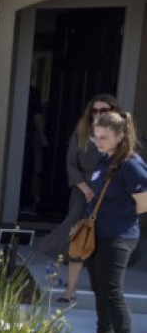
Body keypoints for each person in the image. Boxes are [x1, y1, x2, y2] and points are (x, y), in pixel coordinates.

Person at [74, 111, 145, 333]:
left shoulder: (131, 164)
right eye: (96, 136)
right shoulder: (106, 161)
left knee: (113, 291)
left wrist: (119, 218)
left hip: (119, 236)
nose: (98, 141)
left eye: (104, 137)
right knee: (99, 287)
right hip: (98, 234)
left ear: (120, 136)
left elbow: (144, 201)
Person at [40, 94, 122, 305]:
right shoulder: (82, 133)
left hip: (110, 195)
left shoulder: (121, 137)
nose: (98, 114)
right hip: (82, 193)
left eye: (103, 111)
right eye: (94, 111)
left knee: (106, 243)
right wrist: (85, 188)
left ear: (113, 111)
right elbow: (71, 164)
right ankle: (70, 291)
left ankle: (107, 290)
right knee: (77, 239)